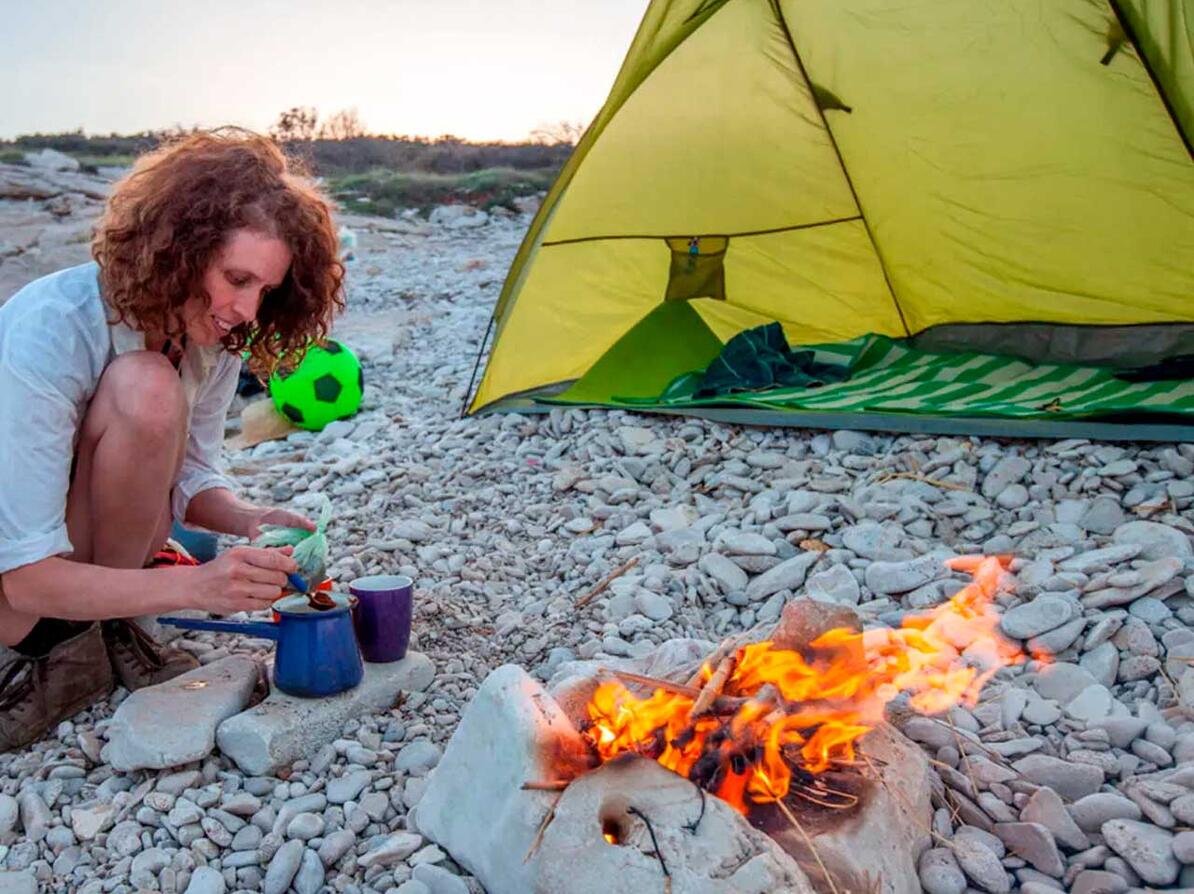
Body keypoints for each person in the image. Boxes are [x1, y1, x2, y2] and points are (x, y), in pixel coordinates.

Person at [0, 129, 346, 750]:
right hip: (16, 581)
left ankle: (100, 629)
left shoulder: (209, 342)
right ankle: (54, 648)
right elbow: (24, 577)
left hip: (76, 559)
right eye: (236, 278)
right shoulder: (52, 327)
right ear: (177, 252)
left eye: (265, 291)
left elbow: (190, 479)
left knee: (154, 388)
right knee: (146, 385)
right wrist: (197, 585)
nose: (246, 309)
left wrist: (249, 519)